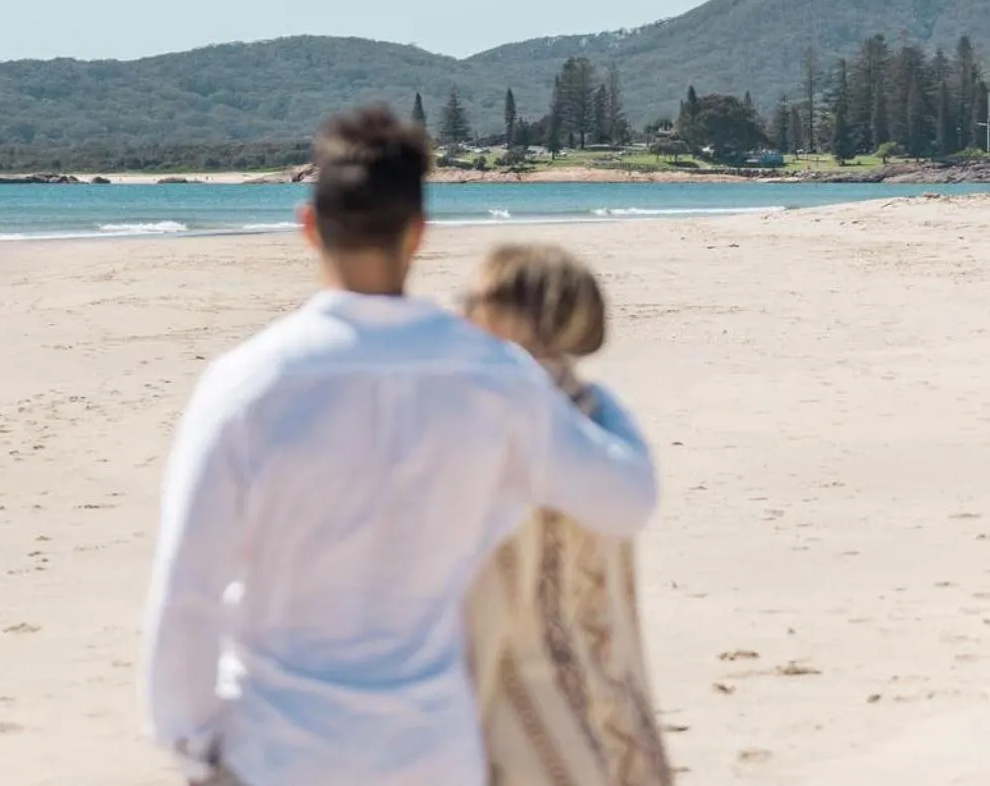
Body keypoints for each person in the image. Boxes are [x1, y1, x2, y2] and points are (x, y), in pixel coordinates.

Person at [141, 106, 658, 786]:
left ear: (308, 226)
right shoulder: (497, 377)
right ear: (417, 234)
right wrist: (587, 391)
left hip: (276, 746)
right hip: (430, 747)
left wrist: (192, 742)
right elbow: (626, 499)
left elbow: (189, 589)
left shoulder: (247, 384)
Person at [461, 245, 672, 786]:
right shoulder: (599, 409)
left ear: (512, 314)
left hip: (511, 701)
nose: (462, 312)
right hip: (608, 673)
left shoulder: (488, 420)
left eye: (475, 299)